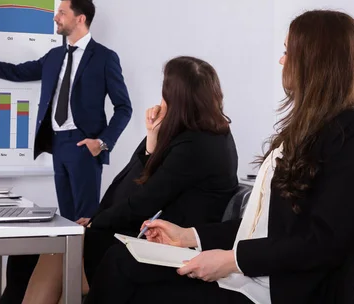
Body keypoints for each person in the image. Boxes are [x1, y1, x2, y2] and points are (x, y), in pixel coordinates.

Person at [84, 10, 354, 304]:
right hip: (248, 277)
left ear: (314, 60)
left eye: (288, 52)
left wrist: (231, 261)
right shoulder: (303, 131)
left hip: (274, 292)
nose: (282, 60)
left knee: (123, 273)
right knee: (122, 259)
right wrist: (188, 236)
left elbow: (322, 242)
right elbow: (261, 227)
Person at [0, 0, 132, 303]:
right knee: (67, 224)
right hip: (57, 146)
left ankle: (87, 290)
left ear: (80, 18)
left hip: (84, 147)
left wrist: (102, 142)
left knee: (85, 225)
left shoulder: (104, 57)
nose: (56, 18)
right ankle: (66, 287)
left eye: (61, 12)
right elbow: (17, 72)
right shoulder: (55, 56)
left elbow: (123, 107)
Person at [21, 56, 239, 304]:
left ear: (175, 98)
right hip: (158, 236)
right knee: (54, 251)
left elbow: (140, 203)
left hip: (172, 247)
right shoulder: (204, 133)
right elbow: (128, 188)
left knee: (59, 251)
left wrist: (95, 223)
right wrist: (151, 142)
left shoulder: (195, 145)